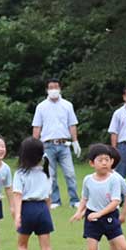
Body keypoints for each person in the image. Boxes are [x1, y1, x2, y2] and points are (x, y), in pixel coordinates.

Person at [10, 137, 62, 250]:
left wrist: (18, 215)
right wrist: (47, 214)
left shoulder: (20, 173)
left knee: (21, 245)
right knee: (47, 249)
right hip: (43, 210)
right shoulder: (46, 172)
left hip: (27, 208)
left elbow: (18, 195)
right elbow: (48, 197)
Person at [32, 79, 81, 208]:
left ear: (60, 89)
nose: (53, 89)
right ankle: (55, 200)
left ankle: (74, 199)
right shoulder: (41, 106)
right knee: (50, 174)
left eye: (56, 87)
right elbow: (37, 127)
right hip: (47, 145)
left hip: (64, 144)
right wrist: (34, 145)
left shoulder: (67, 105)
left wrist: (75, 140)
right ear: (47, 90)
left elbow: (72, 124)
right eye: (51, 87)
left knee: (70, 173)